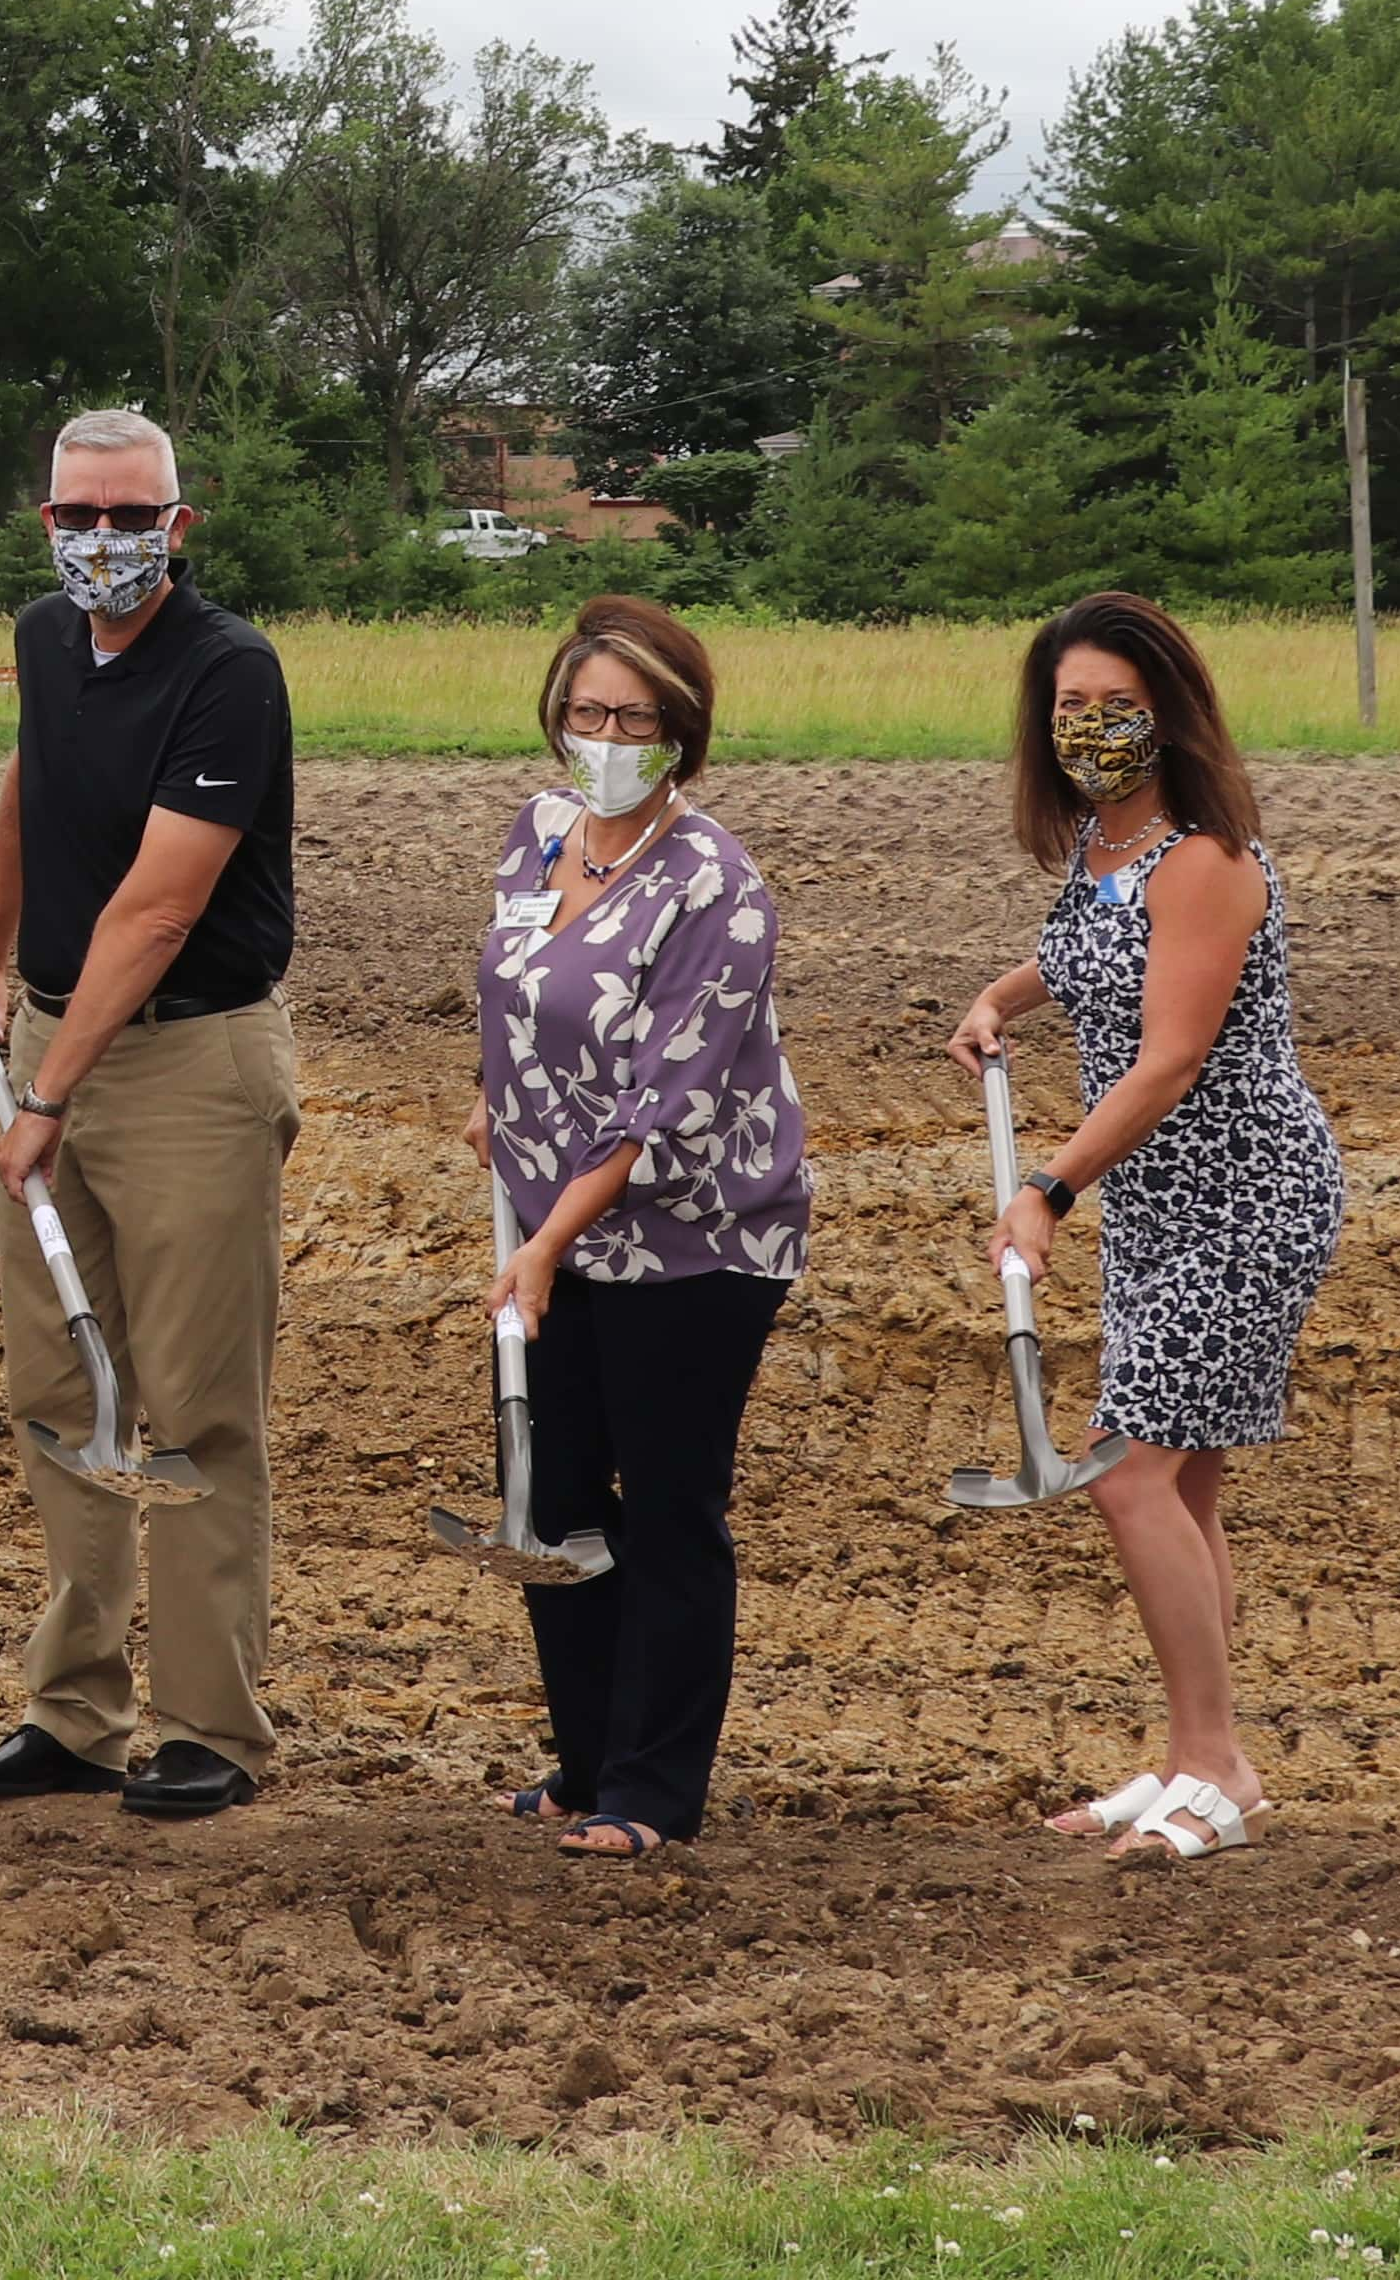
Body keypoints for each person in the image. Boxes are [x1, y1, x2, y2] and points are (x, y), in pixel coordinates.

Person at [0, 408, 301, 1821]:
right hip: (49, 1033)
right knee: (63, 1389)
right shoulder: (41, 641)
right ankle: (73, 1714)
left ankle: (214, 1726)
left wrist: (44, 1095)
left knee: (198, 1404)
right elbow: (30, 788)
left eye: (128, 517)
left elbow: (157, 910)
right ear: (43, 526)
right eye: (77, 517)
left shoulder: (227, 673)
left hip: (187, 1061)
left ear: (178, 527)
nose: (102, 541)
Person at [947, 592, 1339, 1864]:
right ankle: (1196, 1756)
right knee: (1183, 1483)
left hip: (1246, 1194)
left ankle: (1215, 1763)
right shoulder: (1103, 849)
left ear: (1168, 713)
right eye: (1072, 706)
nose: (1093, 727)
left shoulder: (1206, 858)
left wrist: (1045, 1189)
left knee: (1127, 1473)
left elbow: (1170, 1057)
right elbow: (1091, 956)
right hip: (1165, 1202)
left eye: (1118, 704)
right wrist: (1002, 995)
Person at [463, 598, 809, 1859]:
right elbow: (517, 998)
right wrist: (495, 1108)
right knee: (554, 1497)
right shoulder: (537, 833)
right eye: (587, 710)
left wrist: (546, 1244)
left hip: (694, 1231)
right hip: (550, 1207)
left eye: (635, 717)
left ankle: (654, 1789)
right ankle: (583, 1760)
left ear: (681, 732)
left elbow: (664, 1098)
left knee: (666, 1502)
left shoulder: (715, 881)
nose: (604, 735)